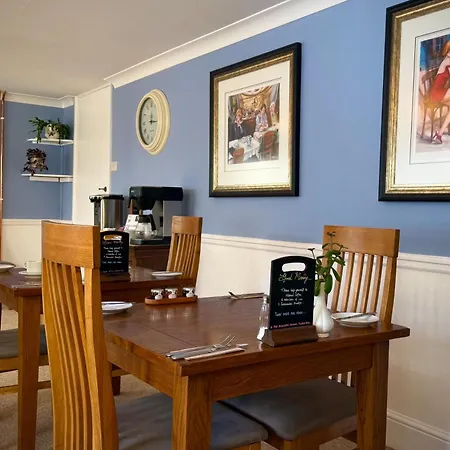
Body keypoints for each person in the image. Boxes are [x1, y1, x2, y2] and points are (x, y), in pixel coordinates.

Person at [429, 40, 450, 144]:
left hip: (439, 92)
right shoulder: (448, 61)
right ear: (448, 52)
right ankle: (439, 134)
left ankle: (439, 134)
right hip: (436, 93)